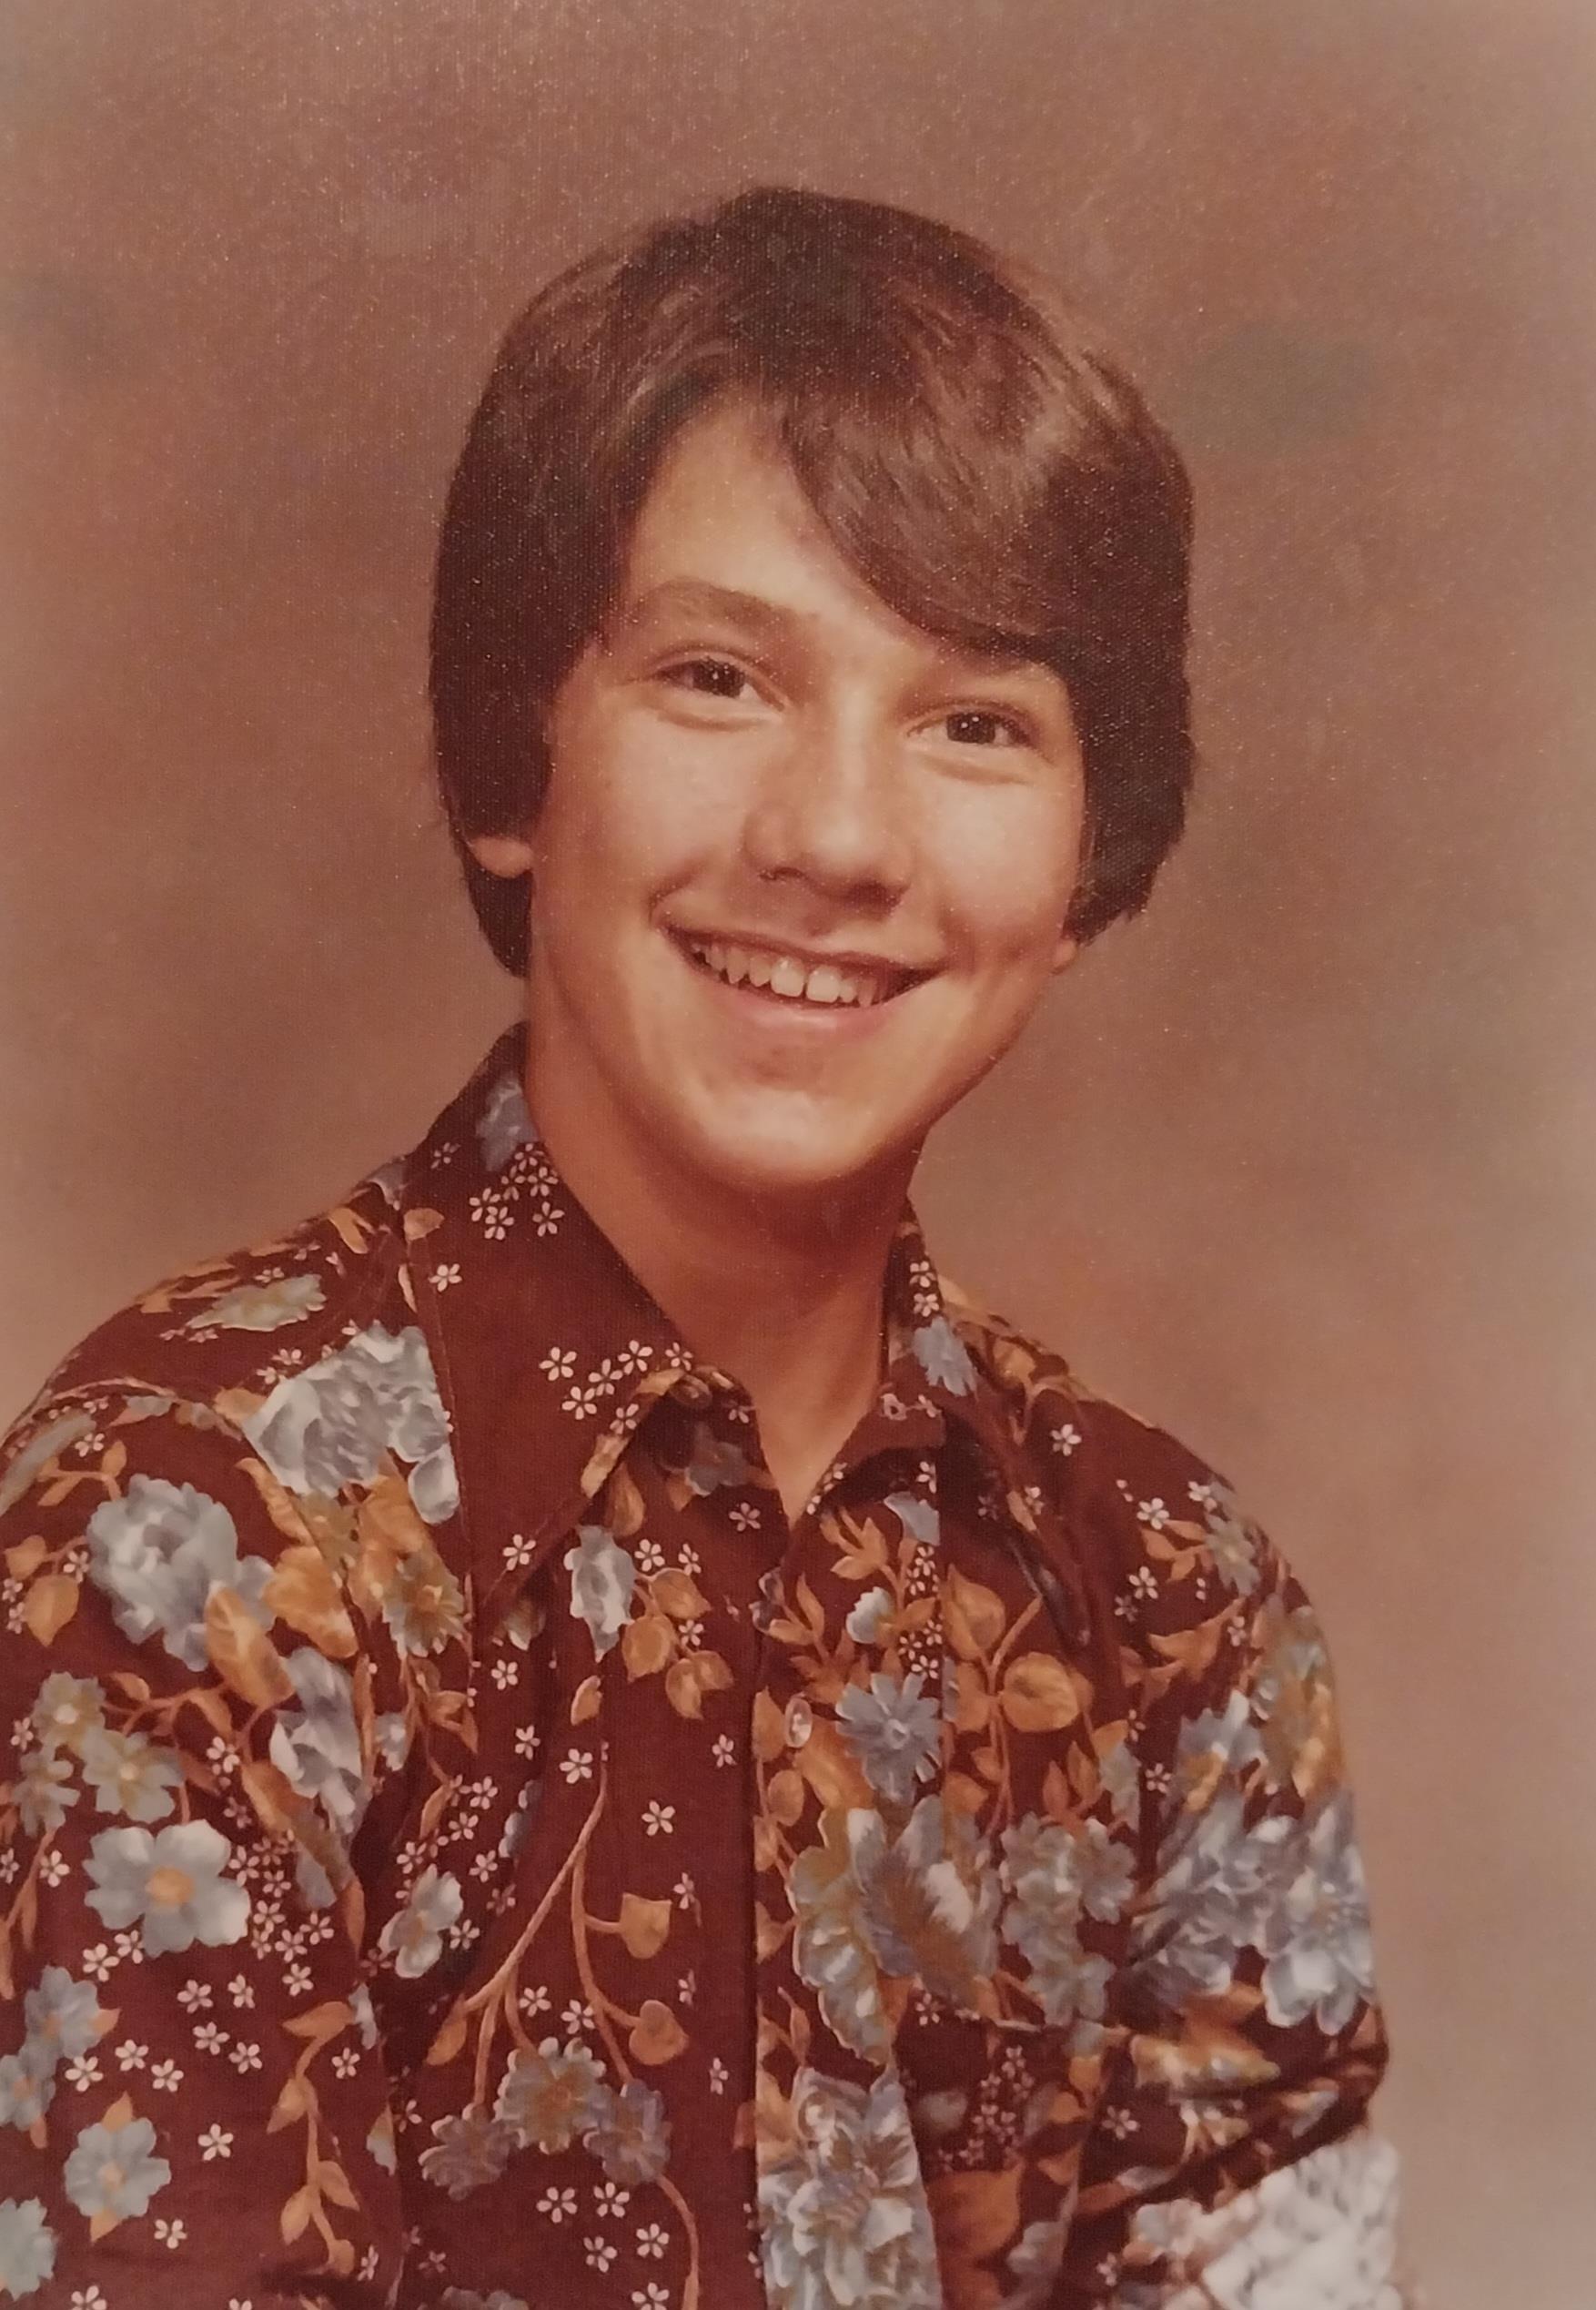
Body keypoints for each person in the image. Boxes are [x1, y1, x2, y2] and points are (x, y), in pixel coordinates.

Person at [0, 187, 1412, 2308]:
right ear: (513, 764)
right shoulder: (186, 1537)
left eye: (975, 721)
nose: (834, 839)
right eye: (718, 676)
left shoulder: (1171, 1609)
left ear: (1085, 857)